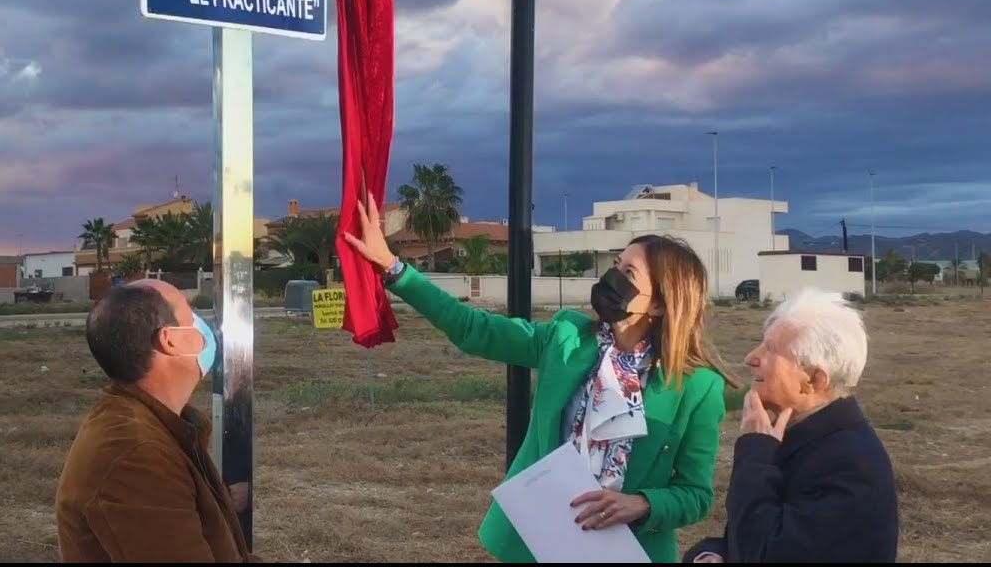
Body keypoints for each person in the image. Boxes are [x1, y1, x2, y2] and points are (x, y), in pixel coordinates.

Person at [342, 197, 738, 564]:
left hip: (627, 548)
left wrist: (643, 503)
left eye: (628, 273)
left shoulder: (698, 388)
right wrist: (393, 268)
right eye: (615, 264)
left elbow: (696, 494)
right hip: (541, 538)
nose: (612, 277)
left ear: (659, 302)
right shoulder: (565, 337)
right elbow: (472, 328)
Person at [683, 288, 899, 563]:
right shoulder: (803, 437)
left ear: (814, 379)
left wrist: (755, 456)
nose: (751, 357)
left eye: (771, 350)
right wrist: (711, 554)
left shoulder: (850, 465)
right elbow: (749, 533)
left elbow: (767, 553)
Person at [55, 279, 258, 563]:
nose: (204, 326)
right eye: (190, 314)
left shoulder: (159, 426)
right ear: (169, 340)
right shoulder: (136, 456)